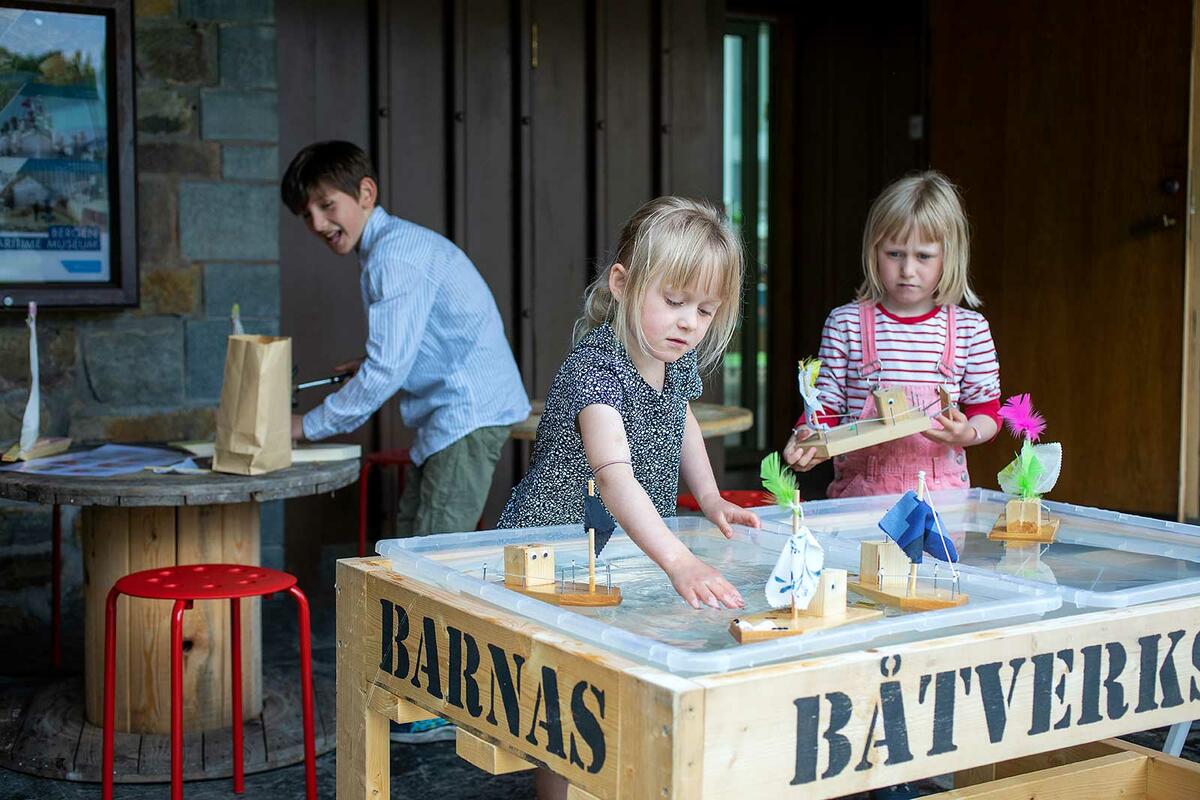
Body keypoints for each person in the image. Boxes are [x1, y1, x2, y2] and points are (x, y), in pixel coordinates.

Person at [281, 140, 530, 743]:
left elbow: (388, 373)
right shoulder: (393, 251)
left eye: (326, 204)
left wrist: (303, 427)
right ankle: (420, 694)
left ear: (365, 194)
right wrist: (365, 363)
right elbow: (403, 350)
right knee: (410, 554)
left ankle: (446, 708)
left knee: (433, 566)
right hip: (450, 414)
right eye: (307, 214)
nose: (317, 223)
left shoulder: (395, 258)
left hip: (466, 413)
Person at [785, 171, 1000, 800]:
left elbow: (990, 408)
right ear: (872, 251)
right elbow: (821, 405)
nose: (907, 269)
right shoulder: (849, 324)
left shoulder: (968, 329)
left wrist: (969, 434)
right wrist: (807, 440)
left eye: (923, 256)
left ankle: (915, 758)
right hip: (859, 504)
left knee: (930, 626)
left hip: (943, 504)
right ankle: (857, 755)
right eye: (893, 252)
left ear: (948, 257)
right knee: (860, 623)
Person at [499, 196, 759, 610]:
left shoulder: (673, 354)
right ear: (621, 284)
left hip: (620, 550)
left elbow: (682, 418)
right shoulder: (596, 367)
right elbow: (613, 477)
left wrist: (710, 497)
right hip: (552, 554)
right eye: (674, 301)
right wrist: (678, 560)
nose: (690, 322)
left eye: (706, 310)